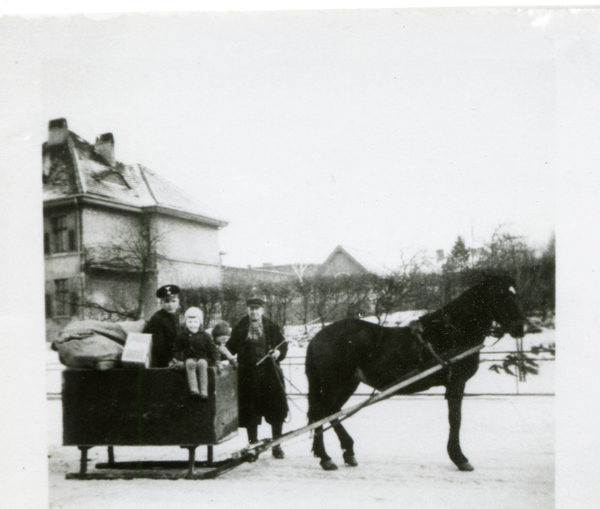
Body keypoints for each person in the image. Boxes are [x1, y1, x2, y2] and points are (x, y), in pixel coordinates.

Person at [226, 295, 288, 459]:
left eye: (257, 309)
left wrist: (277, 352)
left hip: (269, 375)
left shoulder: (270, 325)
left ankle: (276, 446)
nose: (254, 312)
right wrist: (218, 349)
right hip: (248, 376)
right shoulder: (241, 326)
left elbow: (283, 344)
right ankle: (253, 446)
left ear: (262, 310)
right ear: (248, 309)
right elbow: (230, 348)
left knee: (276, 408)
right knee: (251, 411)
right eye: (251, 308)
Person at [170, 307, 220, 400]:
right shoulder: (182, 336)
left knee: (202, 365)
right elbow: (176, 348)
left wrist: (217, 361)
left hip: (202, 358)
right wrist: (178, 359)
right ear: (186, 322)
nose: (192, 325)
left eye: (195, 322)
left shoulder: (205, 336)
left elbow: (212, 349)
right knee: (190, 364)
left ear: (200, 322)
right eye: (190, 322)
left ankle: (204, 391)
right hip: (189, 358)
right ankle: (194, 389)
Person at [143, 284, 181, 368]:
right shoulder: (157, 319)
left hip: (175, 357)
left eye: (173, 301)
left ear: (178, 301)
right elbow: (159, 347)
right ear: (161, 303)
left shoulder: (175, 316)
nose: (170, 305)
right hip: (162, 362)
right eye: (167, 301)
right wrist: (171, 360)